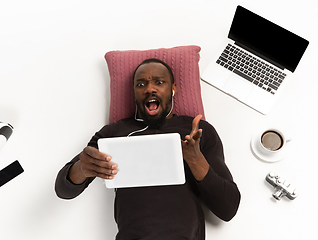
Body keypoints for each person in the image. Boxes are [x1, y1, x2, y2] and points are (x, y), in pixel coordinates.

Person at [55, 58, 241, 240]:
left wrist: (195, 159)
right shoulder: (113, 132)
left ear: (173, 89)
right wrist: (82, 167)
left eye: (159, 82)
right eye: (141, 84)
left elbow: (228, 208)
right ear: (134, 93)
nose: (150, 89)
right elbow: (63, 190)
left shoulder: (197, 132)